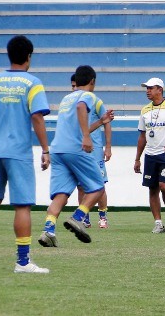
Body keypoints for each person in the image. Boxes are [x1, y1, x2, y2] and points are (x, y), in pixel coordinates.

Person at [0, 35, 51, 273]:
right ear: (28, 57)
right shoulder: (33, 83)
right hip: (18, 152)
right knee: (22, 206)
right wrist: (45, 149)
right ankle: (23, 262)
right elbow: (36, 117)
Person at [38, 65, 114, 247]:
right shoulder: (87, 96)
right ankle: (78, 217)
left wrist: (100, 122)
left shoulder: (66, 98)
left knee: (61, 194)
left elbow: (76, 125)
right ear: (92, 81)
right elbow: (81, 108)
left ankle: (48, 230)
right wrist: (87, 137)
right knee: (97, 187)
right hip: (75, 149)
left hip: (57, 150)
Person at [134, 77, 165, 233]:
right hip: (150, 154)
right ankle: (158, 222)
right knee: (152, 189)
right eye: (146, 88)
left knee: (164, 186)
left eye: (150, 88)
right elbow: (142, 136)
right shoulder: (145, 110)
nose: (147, 91)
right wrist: (137, 159)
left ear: (160, 89)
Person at [70, 73, 112, 229]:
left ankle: (103, 216)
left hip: (94, 150)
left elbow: (106, 122)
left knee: (99, 184)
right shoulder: (70, 103)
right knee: (81, 185)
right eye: (72, 86)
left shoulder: (96, 101)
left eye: (76, 85)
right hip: (78, 150)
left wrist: (107, 146)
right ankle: (84, 217)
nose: (74, 89)